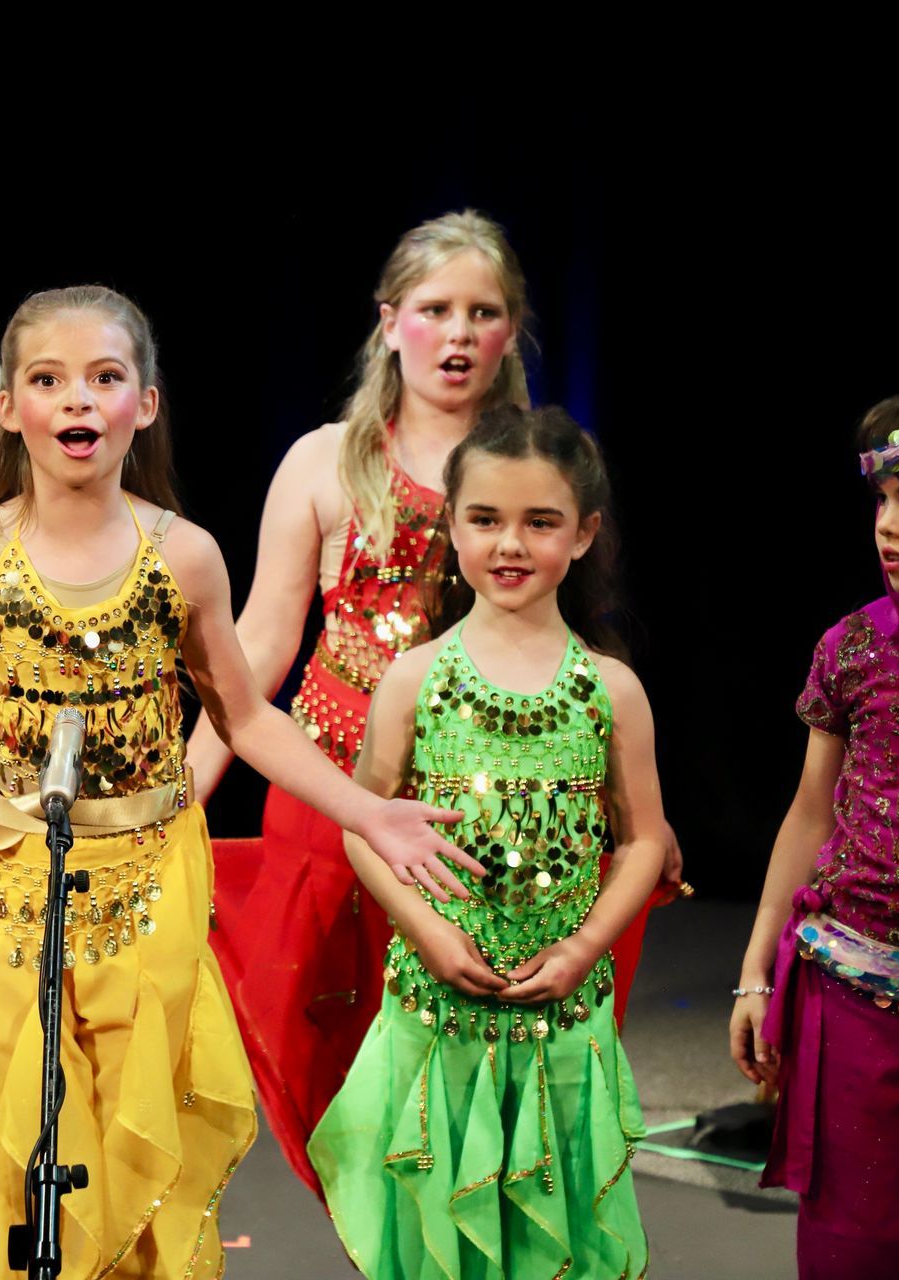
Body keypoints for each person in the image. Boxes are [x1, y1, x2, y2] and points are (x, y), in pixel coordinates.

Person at [0, 285, 470, 1279]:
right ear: (9, 408)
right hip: (11, 887)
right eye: (48, 379)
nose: (77, 401)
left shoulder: (184, 557)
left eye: (104, 377)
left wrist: (368, 810)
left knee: (129, 1140)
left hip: (147, 887)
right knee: (18, 1129)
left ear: (145, 403)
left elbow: (246, 715)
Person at [186, 211, 534, 1194]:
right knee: (337, 1072)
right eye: (436, 310)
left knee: (458, 1083)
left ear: (511, 333)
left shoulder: (535, 470)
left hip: (481, 811)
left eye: (483, 313)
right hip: (329, 802)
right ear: (391, 323)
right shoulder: (325, 460)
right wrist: (175, 795)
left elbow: (579, 648)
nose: (458, 334)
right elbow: (256, 646)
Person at [310, 405, 661, 1278]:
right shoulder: (415, 677)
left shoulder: (610, 689)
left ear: (583, 535)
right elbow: (364, 824)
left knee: (554, 1235)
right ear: (451, 529)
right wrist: (424, 930)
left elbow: (647, 842)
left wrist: (583, 950)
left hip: (561, 1016)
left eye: (540, 522)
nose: (511, 544)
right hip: (439, 1010)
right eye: (486, 520)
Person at [730, 376, 899, 1278]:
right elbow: (810, 812)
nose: (888, 524)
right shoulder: (853, 647)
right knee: (852, 1247)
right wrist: (755, 972)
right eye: (881, 499)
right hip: (850, 993)